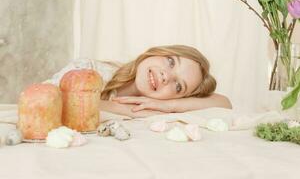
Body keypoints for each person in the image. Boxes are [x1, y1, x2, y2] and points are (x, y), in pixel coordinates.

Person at [45, 45, 232, 118]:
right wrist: (125, 110)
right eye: (170, 61)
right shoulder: (88, 70)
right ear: (156, 52)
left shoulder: (160, 109)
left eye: (178, 86)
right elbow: (48, 100)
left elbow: (224, 103)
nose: (167, 76)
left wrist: (170, 106)